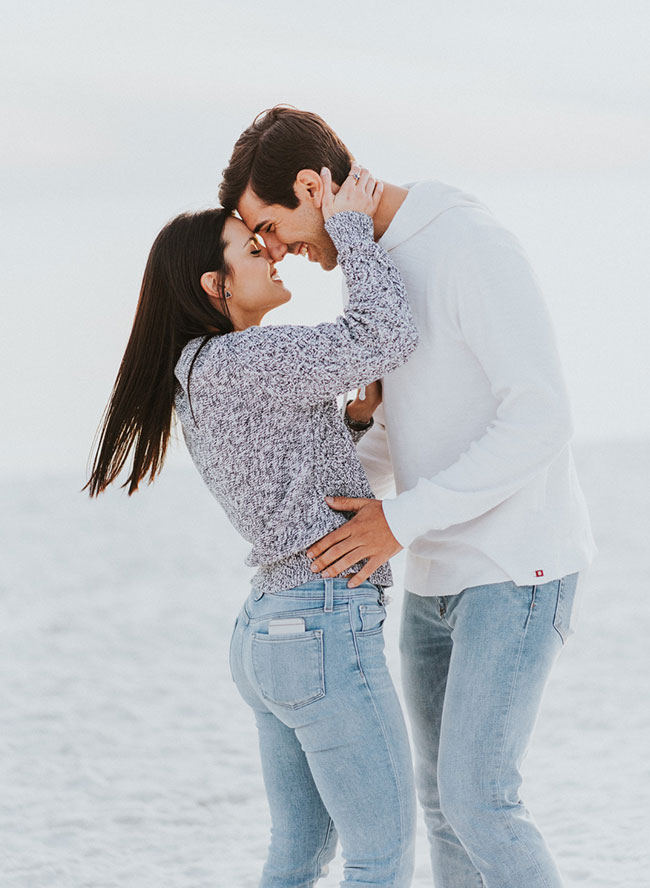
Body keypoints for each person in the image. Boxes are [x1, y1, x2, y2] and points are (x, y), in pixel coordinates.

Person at [219, 105, 598, 888]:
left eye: (273, 226)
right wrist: (364, 471)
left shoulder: (466, 243)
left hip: (516, 567)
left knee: (480, 801)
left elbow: (541, 417)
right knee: (438, 806)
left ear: (311, 186)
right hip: (431, 574)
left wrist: (399, 519)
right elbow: (412, 428)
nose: (277, 252)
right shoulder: (378, 265)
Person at [85, 165, 418, 887]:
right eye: (251, 246)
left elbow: (287, 478)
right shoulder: (244, 358)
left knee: (298, 856)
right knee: (381, 855)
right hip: (319, 624)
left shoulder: (198, 368)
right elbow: (386, 333)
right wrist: (353, 229)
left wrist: (354, 424)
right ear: (216, 284)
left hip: (273, 630)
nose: (272, 250)